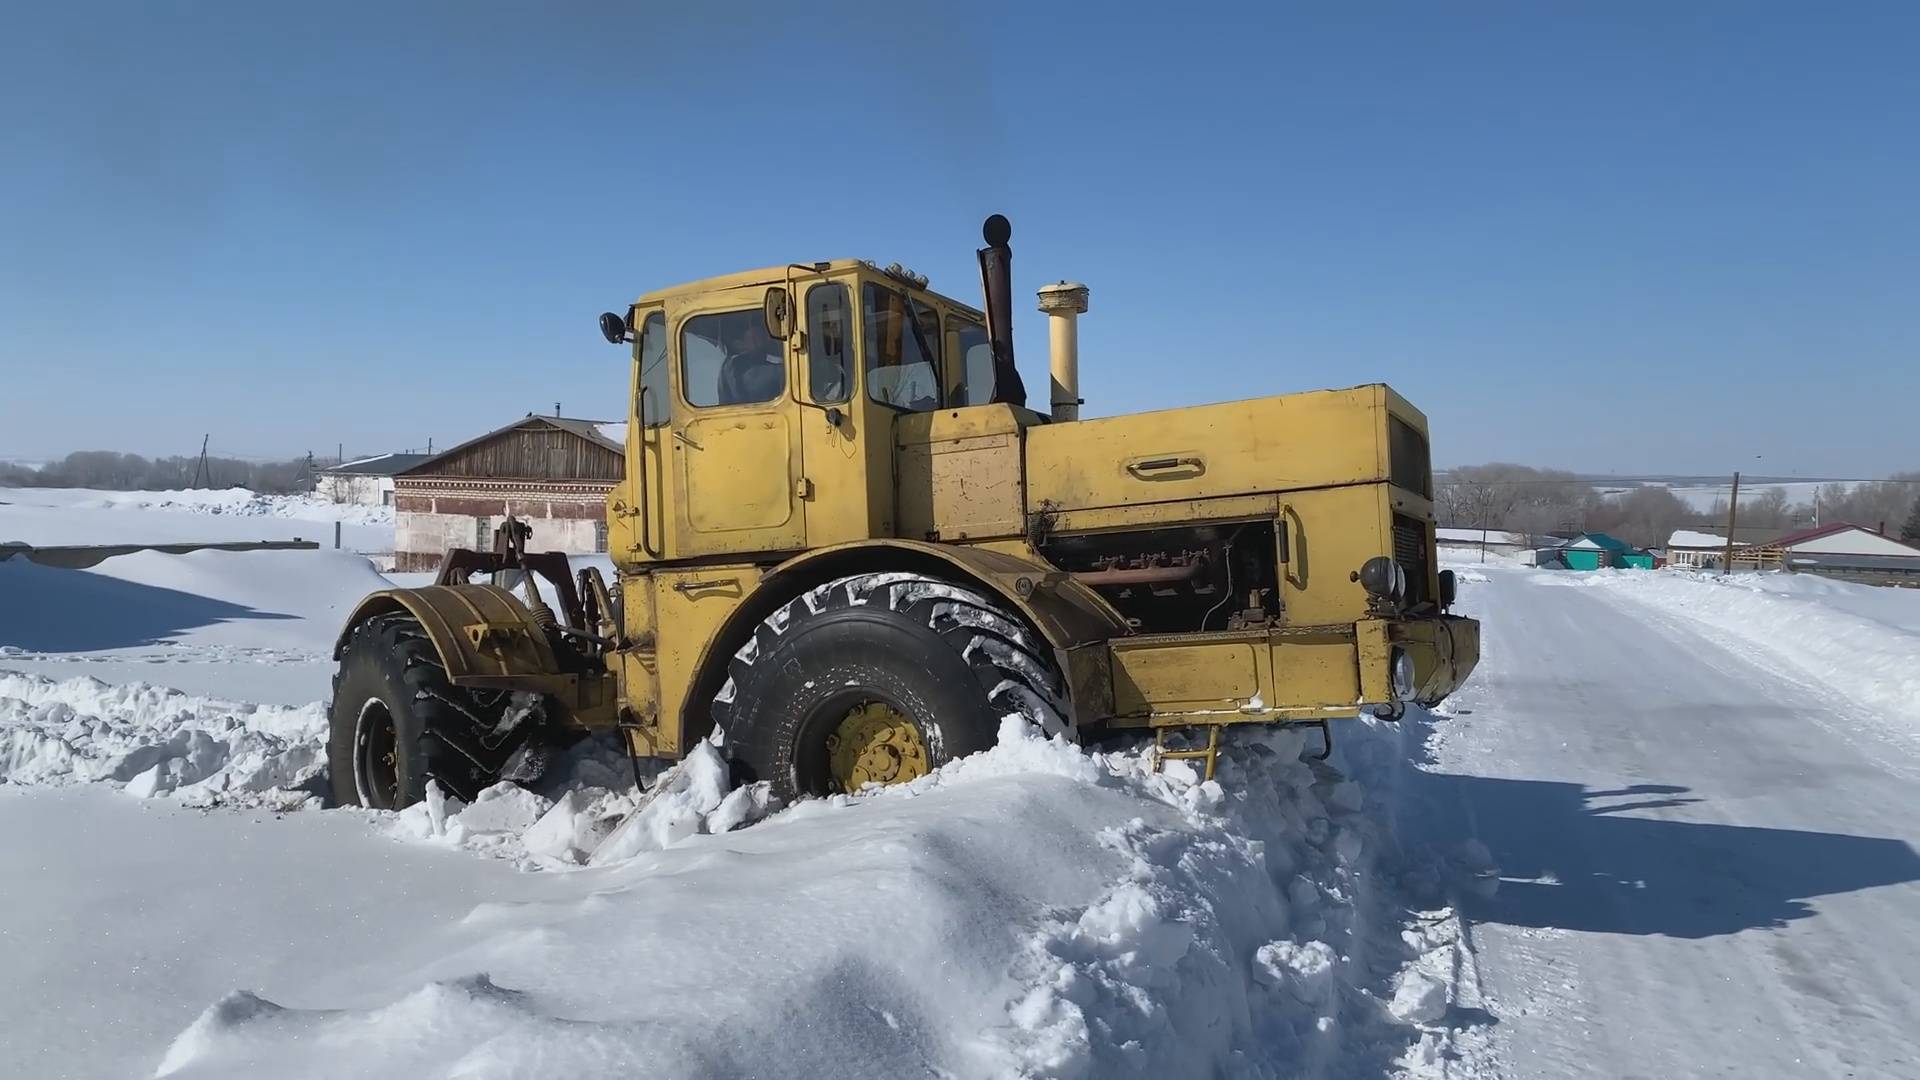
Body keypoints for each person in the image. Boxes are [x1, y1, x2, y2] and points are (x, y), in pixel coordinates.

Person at [716, 313, 785, 405]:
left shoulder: (729, 367)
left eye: (760, 337)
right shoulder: (735, 366)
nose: (758, 341)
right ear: (739, 343)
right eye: (753, 338)